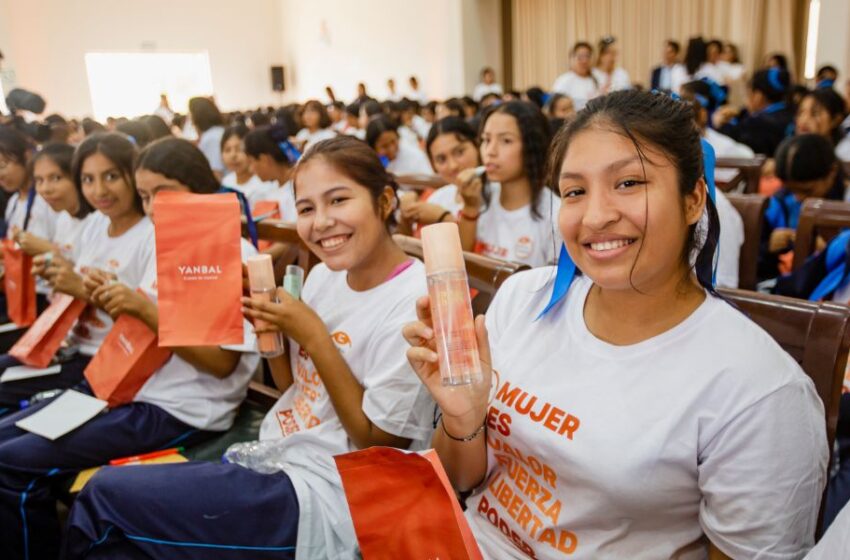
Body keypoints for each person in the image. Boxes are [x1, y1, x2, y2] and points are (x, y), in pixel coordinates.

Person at [403, 89, 827, 559]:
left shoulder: (758, 392)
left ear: (693, 201)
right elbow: (462, 479)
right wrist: (465, 416)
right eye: (575, 191)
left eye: (628, 183)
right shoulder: (525, 298)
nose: (597, 216)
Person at [64, 136, 435, 559]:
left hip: (331, 495)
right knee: (117, 540)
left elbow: (377, 444)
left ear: (385, 201)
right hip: (281, 456)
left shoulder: (414, 301)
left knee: (104, 497)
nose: (322, 222)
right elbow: (294, 388)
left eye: (338, 200)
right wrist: (270, 330)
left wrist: (312, 333)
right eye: (307, 208)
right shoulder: (325, 277)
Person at [0, 137, 259, 560]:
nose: (154, 207)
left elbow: (221, 365)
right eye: (145, 196)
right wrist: (116, 301)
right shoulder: (171, 248)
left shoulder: (227, 253)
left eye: (164, 192)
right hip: (125, 390)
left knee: (10, 465)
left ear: (200, 189)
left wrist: (144, 310)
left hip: (179, 408)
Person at [456, 101, 562, 267]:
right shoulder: (480, 195)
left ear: (532, 146)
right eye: (486, 140)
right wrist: (470, 208)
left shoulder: (555, 215)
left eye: (506, 141)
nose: (490, 151)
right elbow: (460, 263)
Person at [715, 68, 794, 156]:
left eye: (748, 93)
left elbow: (728, 136)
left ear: (758, 96)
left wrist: (718, 122)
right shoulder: (793, 113)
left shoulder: (758, 123)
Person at [221, 123, 277, 204]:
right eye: (227, 150)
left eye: (239, 149)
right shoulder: (226, 182)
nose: (233, 155)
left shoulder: (264, 185)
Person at [366, 115, 433, 175]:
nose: (392, 149)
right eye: (385, 146)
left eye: (393, 142)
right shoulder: (371, 161)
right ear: (373, 148)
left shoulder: (415, 156)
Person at [551, 42, 599, 111]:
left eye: (587, 56)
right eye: (580, 57)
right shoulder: (563, 81)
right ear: (572, 59)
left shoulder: (597, 79)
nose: (584, 61)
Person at [189, 97, 226, 176]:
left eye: (190, 115)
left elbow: (216, 173)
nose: (191, 122)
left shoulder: (211, 138)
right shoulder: (219, 131)